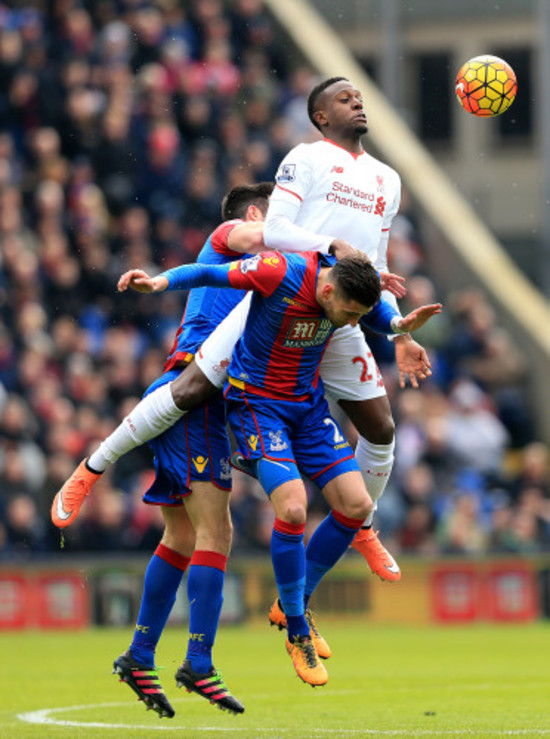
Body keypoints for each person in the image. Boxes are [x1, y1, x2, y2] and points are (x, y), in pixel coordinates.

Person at [52, 77, 417, 584]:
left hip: (343, 313)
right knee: (192, 387)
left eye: (359, 95)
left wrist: (401, 333)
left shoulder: (388, 179)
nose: (356, 101)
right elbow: (276, 232)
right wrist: (332, 246)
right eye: (342, 97)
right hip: (286, 302)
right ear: (320, 118)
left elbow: (375, 269)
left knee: (381, 427)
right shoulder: (305, 159)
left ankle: (362, 525)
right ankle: (91, 468)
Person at [119, 248, 441, 686]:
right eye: (347, 313)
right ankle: (297, 631)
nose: (349, 324)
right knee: (292, 508)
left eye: (356, 316)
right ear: (326, 289)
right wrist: (159, 281)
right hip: (256, 408)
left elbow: (374, 314)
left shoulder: (347, 292)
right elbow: (211, 272)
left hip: (306, 411)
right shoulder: (278, 271)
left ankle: (294, 601)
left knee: (357, 505)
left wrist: (400, 327)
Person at [97, 183, 273, 719]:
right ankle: (197, 659)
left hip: (194, 399)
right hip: (192, 396)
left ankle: (140, 654)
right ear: (253, 213)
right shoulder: (232, 238)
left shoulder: (261, 272)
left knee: (181, 533)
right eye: (280, 214)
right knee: (216, 531)